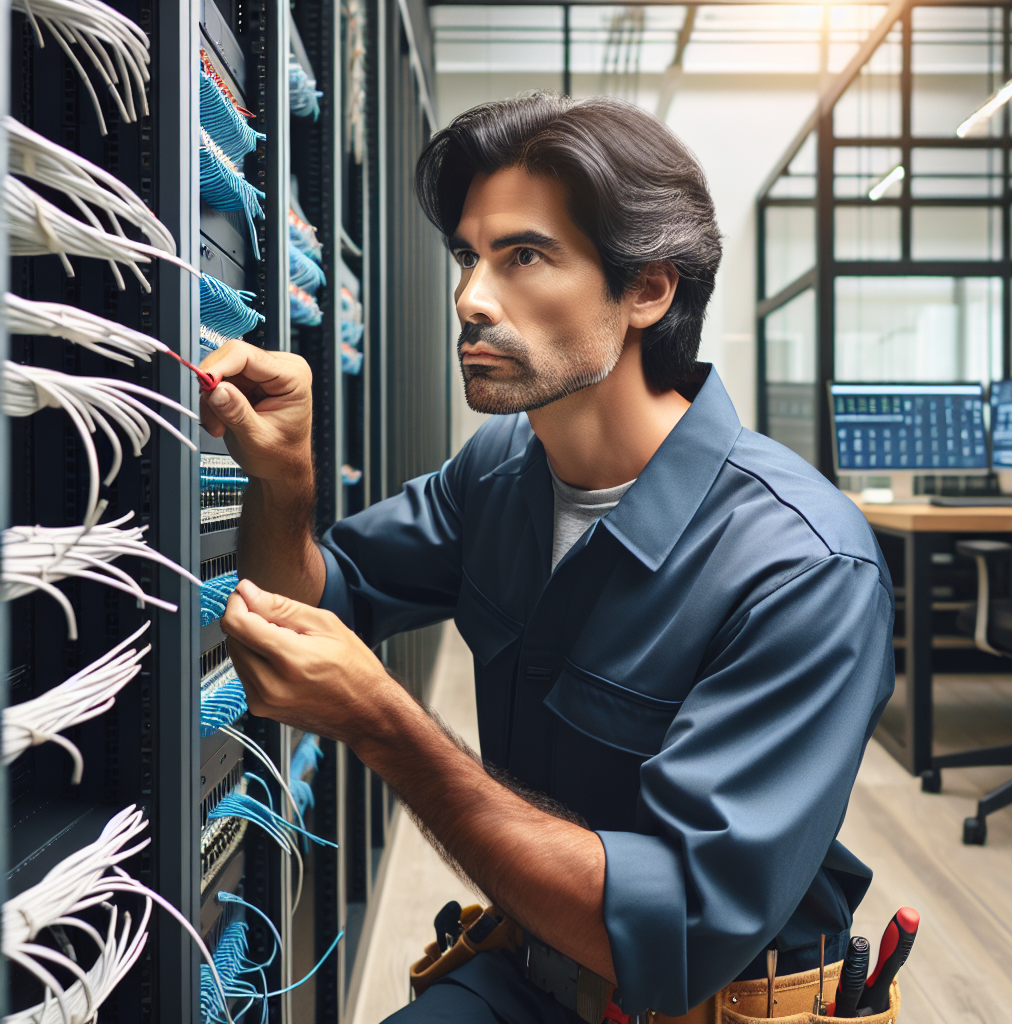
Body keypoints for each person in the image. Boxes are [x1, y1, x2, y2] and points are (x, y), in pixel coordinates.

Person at [201, 93, 895, 1024]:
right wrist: (282, 480)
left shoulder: (801, 567)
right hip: (530, 968)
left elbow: (672, 931)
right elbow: (315, 609)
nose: (470, 299)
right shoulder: (502, 470)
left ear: (648, 289)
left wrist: (384, 724)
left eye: (524, 256)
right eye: (468, 256)